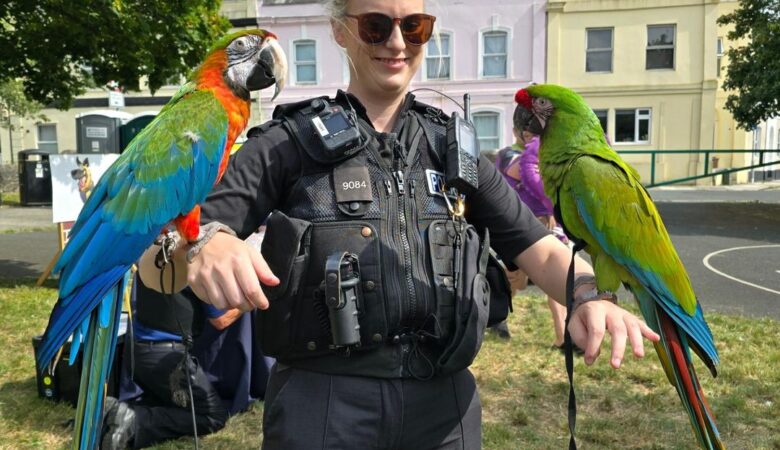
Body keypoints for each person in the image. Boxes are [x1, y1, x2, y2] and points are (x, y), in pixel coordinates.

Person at [138, 1, 660, 448]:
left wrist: (590, 295)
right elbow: (162, 258)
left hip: (446, 406)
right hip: (323, 406)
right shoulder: (284, 142)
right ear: (341, 31)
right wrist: (207, 242)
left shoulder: (453, 147)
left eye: (414, 27)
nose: (397, 42)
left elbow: (537, 247)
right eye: (375, 25)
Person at [101, 274, 270, 449]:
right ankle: (133, 420)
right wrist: (254, 297)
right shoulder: (195, 270)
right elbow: (222, 319)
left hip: (135, 353)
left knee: (174, 403)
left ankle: (111, 413)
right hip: (167, 357)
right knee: (212, 416)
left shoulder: (151, 258)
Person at [494, 94, 572, 350]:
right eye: (526, 129)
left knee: (556, 275)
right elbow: (525, 174)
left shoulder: (540, 151)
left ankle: (563, 337)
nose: (529, 134)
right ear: (517, 131)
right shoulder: (508, 155)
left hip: (548, 225)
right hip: (519, 226)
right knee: (513, 280)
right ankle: (497, 318)